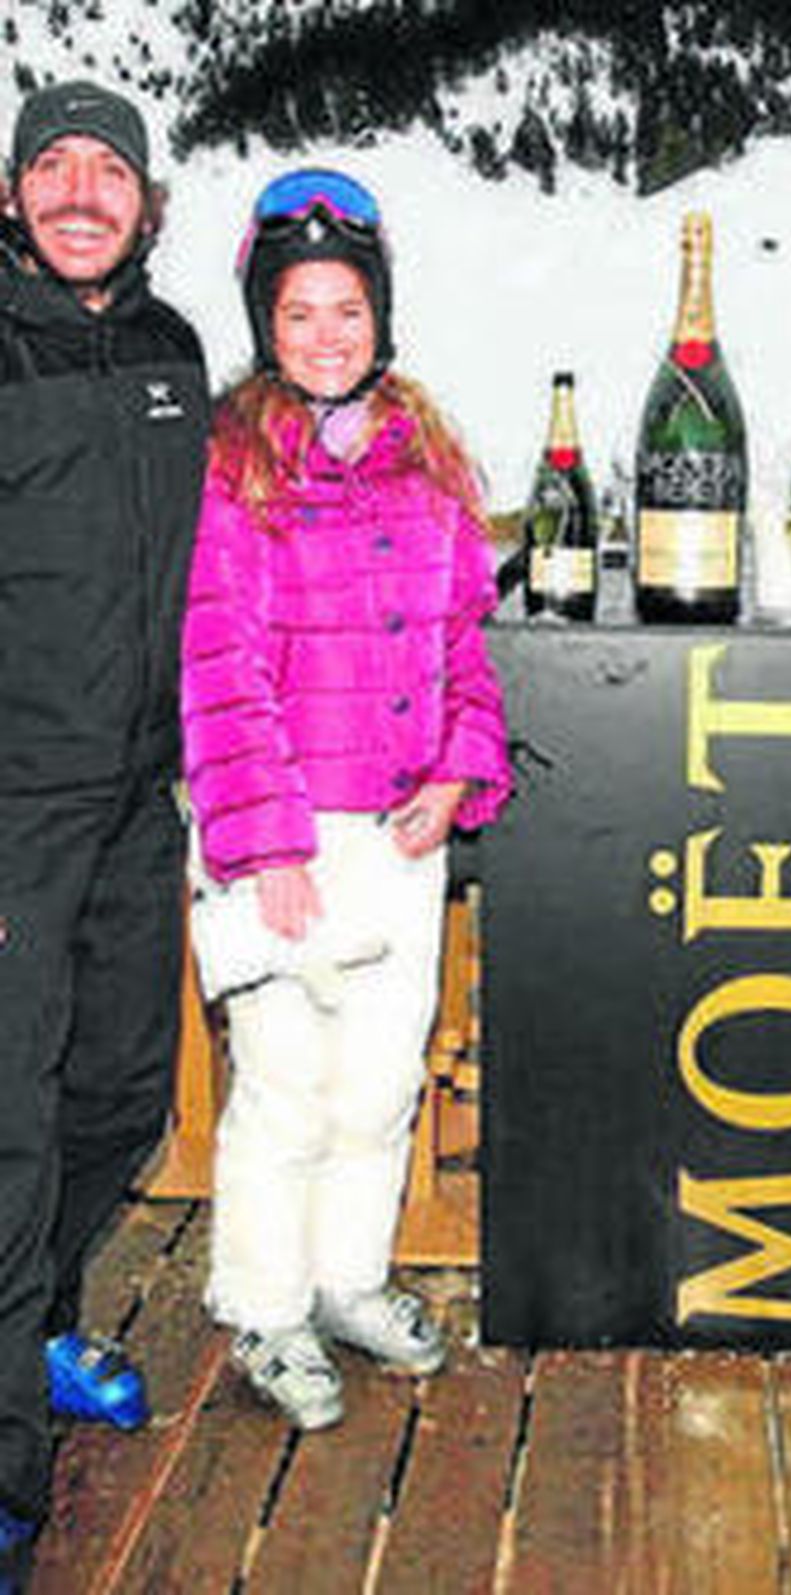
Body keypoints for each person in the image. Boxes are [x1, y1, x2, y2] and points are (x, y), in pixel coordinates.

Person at [181, 168, 509, 1431]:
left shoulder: (425, 456)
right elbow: (216, 664)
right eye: (301, 310)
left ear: (382, 318)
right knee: (284, 1084)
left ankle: (348, 1276)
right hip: (287, 839)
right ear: (266, 322)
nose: (327, 333)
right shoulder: (230, 466)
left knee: (380, 1079)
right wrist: (262, 844)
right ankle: (264, 1301)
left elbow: (464, 639)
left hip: (400, 831)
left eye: (348, 309)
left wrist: (457, 768)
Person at [0, 79, 209, 1576]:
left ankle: (39, 1320)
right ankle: (8, 1467)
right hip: (12, 802)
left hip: (142, 796)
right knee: (6, 1131)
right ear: (12, 194)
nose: (82, 190)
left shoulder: (170, 347)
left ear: (146, 199)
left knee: (124, 1090)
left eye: (108, 170)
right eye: (51, 167)